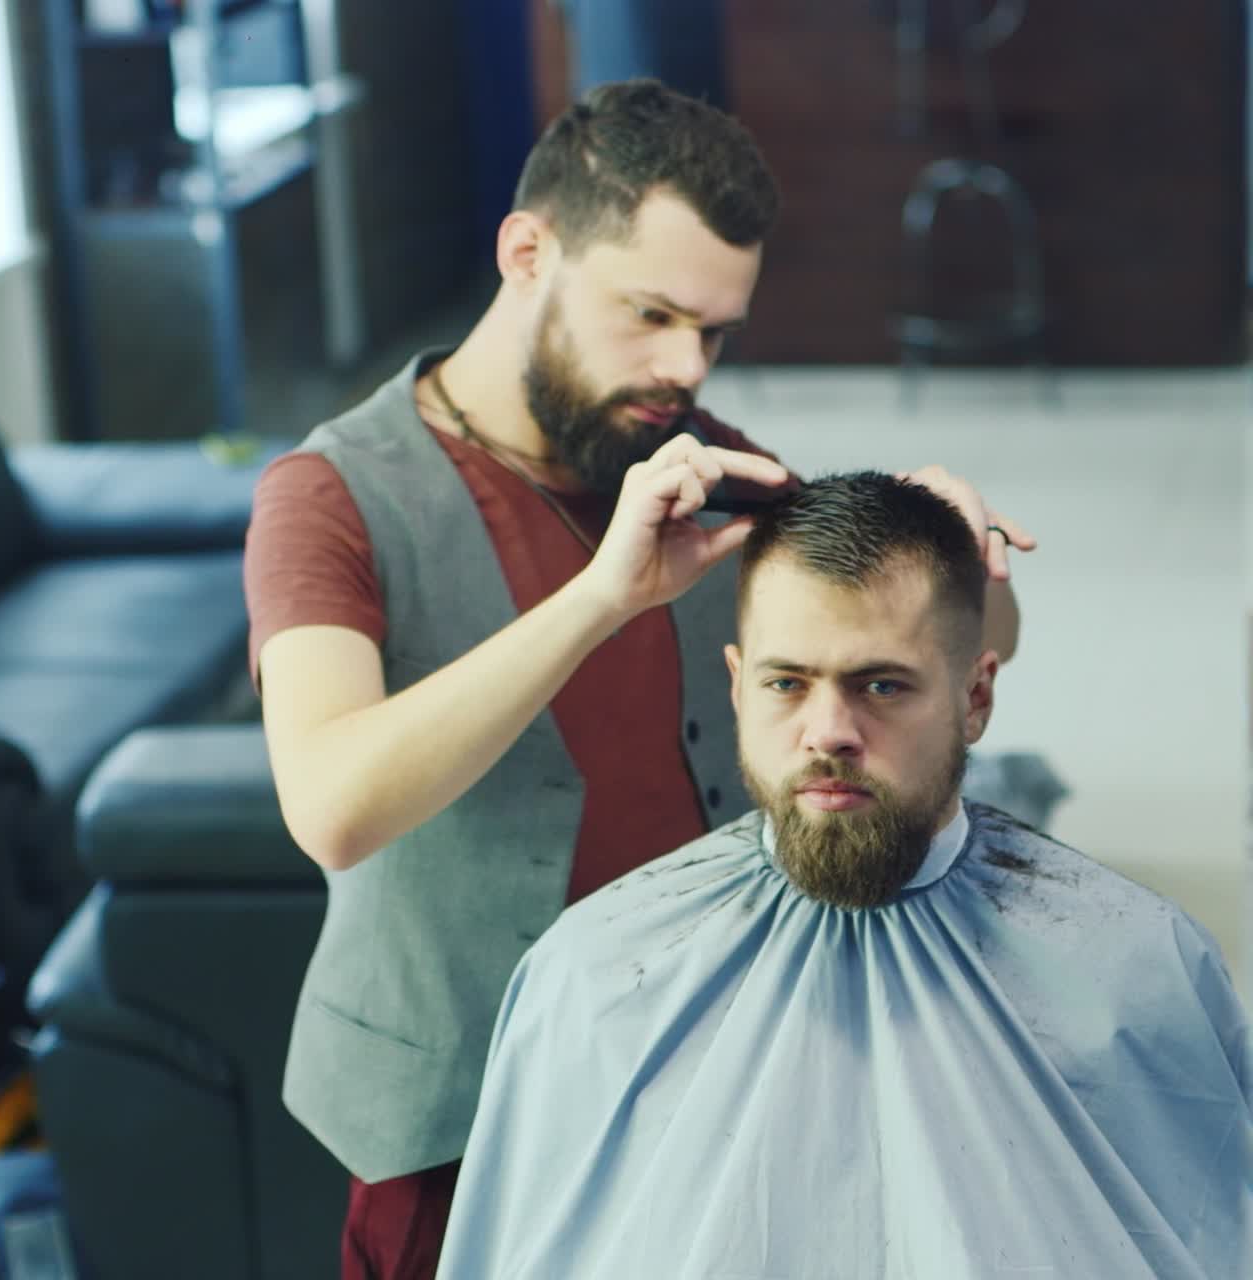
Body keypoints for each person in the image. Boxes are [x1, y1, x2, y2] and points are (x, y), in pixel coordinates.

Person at [244, 81, 1033, 1279]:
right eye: (650, 312)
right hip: (451, 1118)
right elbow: (331, 805)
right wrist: (600, 597)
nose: (682, 366)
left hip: (704, 1069)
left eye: (712, 332)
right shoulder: (327, 496)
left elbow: (966, 646)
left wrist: (953, 549)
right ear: (527, 251)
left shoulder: (708, 462)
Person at [435, 472, 1252, 1280]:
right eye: (787, 683)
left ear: (976, 696)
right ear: (736, 686)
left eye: (882, 685)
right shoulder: (591, 977)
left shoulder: (1138, 970)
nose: (829, 733)